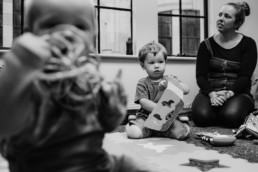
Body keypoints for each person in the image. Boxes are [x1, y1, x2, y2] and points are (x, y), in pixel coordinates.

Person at [0, 0, 153, 171]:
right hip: (35, 167)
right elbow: (5, 125)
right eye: (52, 24)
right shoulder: (25, 80)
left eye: (80, 26)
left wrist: (113, 107)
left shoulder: (90, 80)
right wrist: (17, 67)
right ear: (29, 34)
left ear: (93, 36)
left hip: (93, 164)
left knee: (134, 165)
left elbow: (108, 125)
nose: (67, 33)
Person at [191, 1, 257, 128]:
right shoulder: (205, 45)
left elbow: (244, 77)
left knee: (231, 118)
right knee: (200, 118)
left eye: (227, 16)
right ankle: (218, 111)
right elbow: (200, 77)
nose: (221, 19)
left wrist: (228, 94)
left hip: (238, 93)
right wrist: (212, 94)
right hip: (211, 92)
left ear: (237, 23)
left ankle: (225, 112)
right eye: (220, 14)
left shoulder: (248, 44)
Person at [125, 41, 190, 140]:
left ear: (165, 62)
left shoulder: (170, 79)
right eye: (151, 62)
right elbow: (143, 102)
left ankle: (182, 123)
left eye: (160, 62)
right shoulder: (142, 83)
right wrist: (160, 108)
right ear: (143, 65)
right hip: (146, 118)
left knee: (183, 133)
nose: (157, 65)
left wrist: (172, 83)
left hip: (168, 119)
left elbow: (186, 90)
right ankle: (130, 125)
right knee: (134, 134)